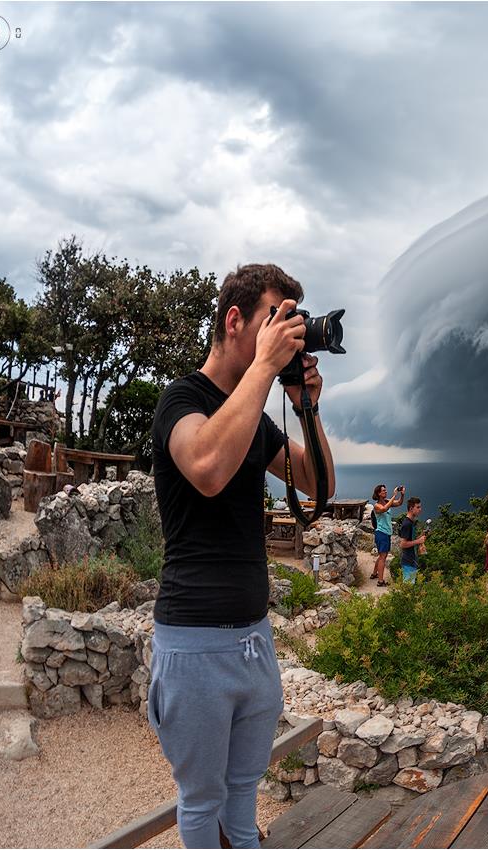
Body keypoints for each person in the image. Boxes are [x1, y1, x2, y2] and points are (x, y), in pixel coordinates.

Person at [148, 263, 336, 848]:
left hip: (254, 638)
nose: (286, 334)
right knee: (202, 803)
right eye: (273, 320)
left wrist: (307, 406)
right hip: (195, 642)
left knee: (243, 790)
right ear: (235, 321)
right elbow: (205, 467)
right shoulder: (180, 400)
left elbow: (315, 483)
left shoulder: (254, 412)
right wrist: (264, 369)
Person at [371, 483, 404, 587]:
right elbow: (384, 509)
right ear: (379, 493)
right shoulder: (376, 506)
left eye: (385, 490)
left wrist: (402, 494)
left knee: (382, 555)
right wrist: (394, 495)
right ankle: (380, 581)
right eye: (383, 490)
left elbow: (399, 503)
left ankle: (374, 573)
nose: (385, 491)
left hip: (386, 533)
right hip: (381, 533)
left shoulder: (386, 501)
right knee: (383, 557)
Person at [397, 496, 427, 583]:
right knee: (408, 589)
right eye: (418, 507)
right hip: (408, 561)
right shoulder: (407, 524)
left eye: (420, 507)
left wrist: (421, 536)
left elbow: (411, 540)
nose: (420, 509)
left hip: (412, 560)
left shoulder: (411, 522)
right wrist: (418, 541)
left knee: (411, 588)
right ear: (411, 508)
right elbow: (403, 544)